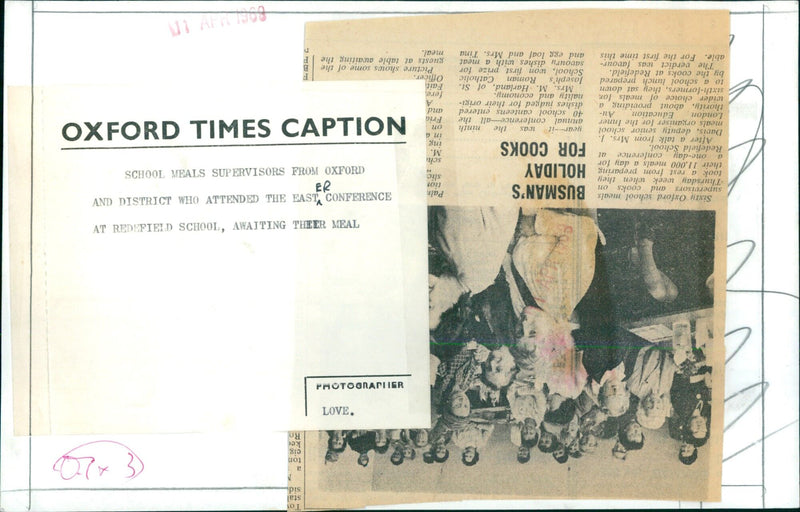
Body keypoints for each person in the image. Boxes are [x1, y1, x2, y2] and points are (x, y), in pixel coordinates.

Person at [428, 205, 520, 330]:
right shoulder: (465, 261)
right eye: (429, 306)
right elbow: (457, 192)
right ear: (452, 307)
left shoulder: (475, 284)